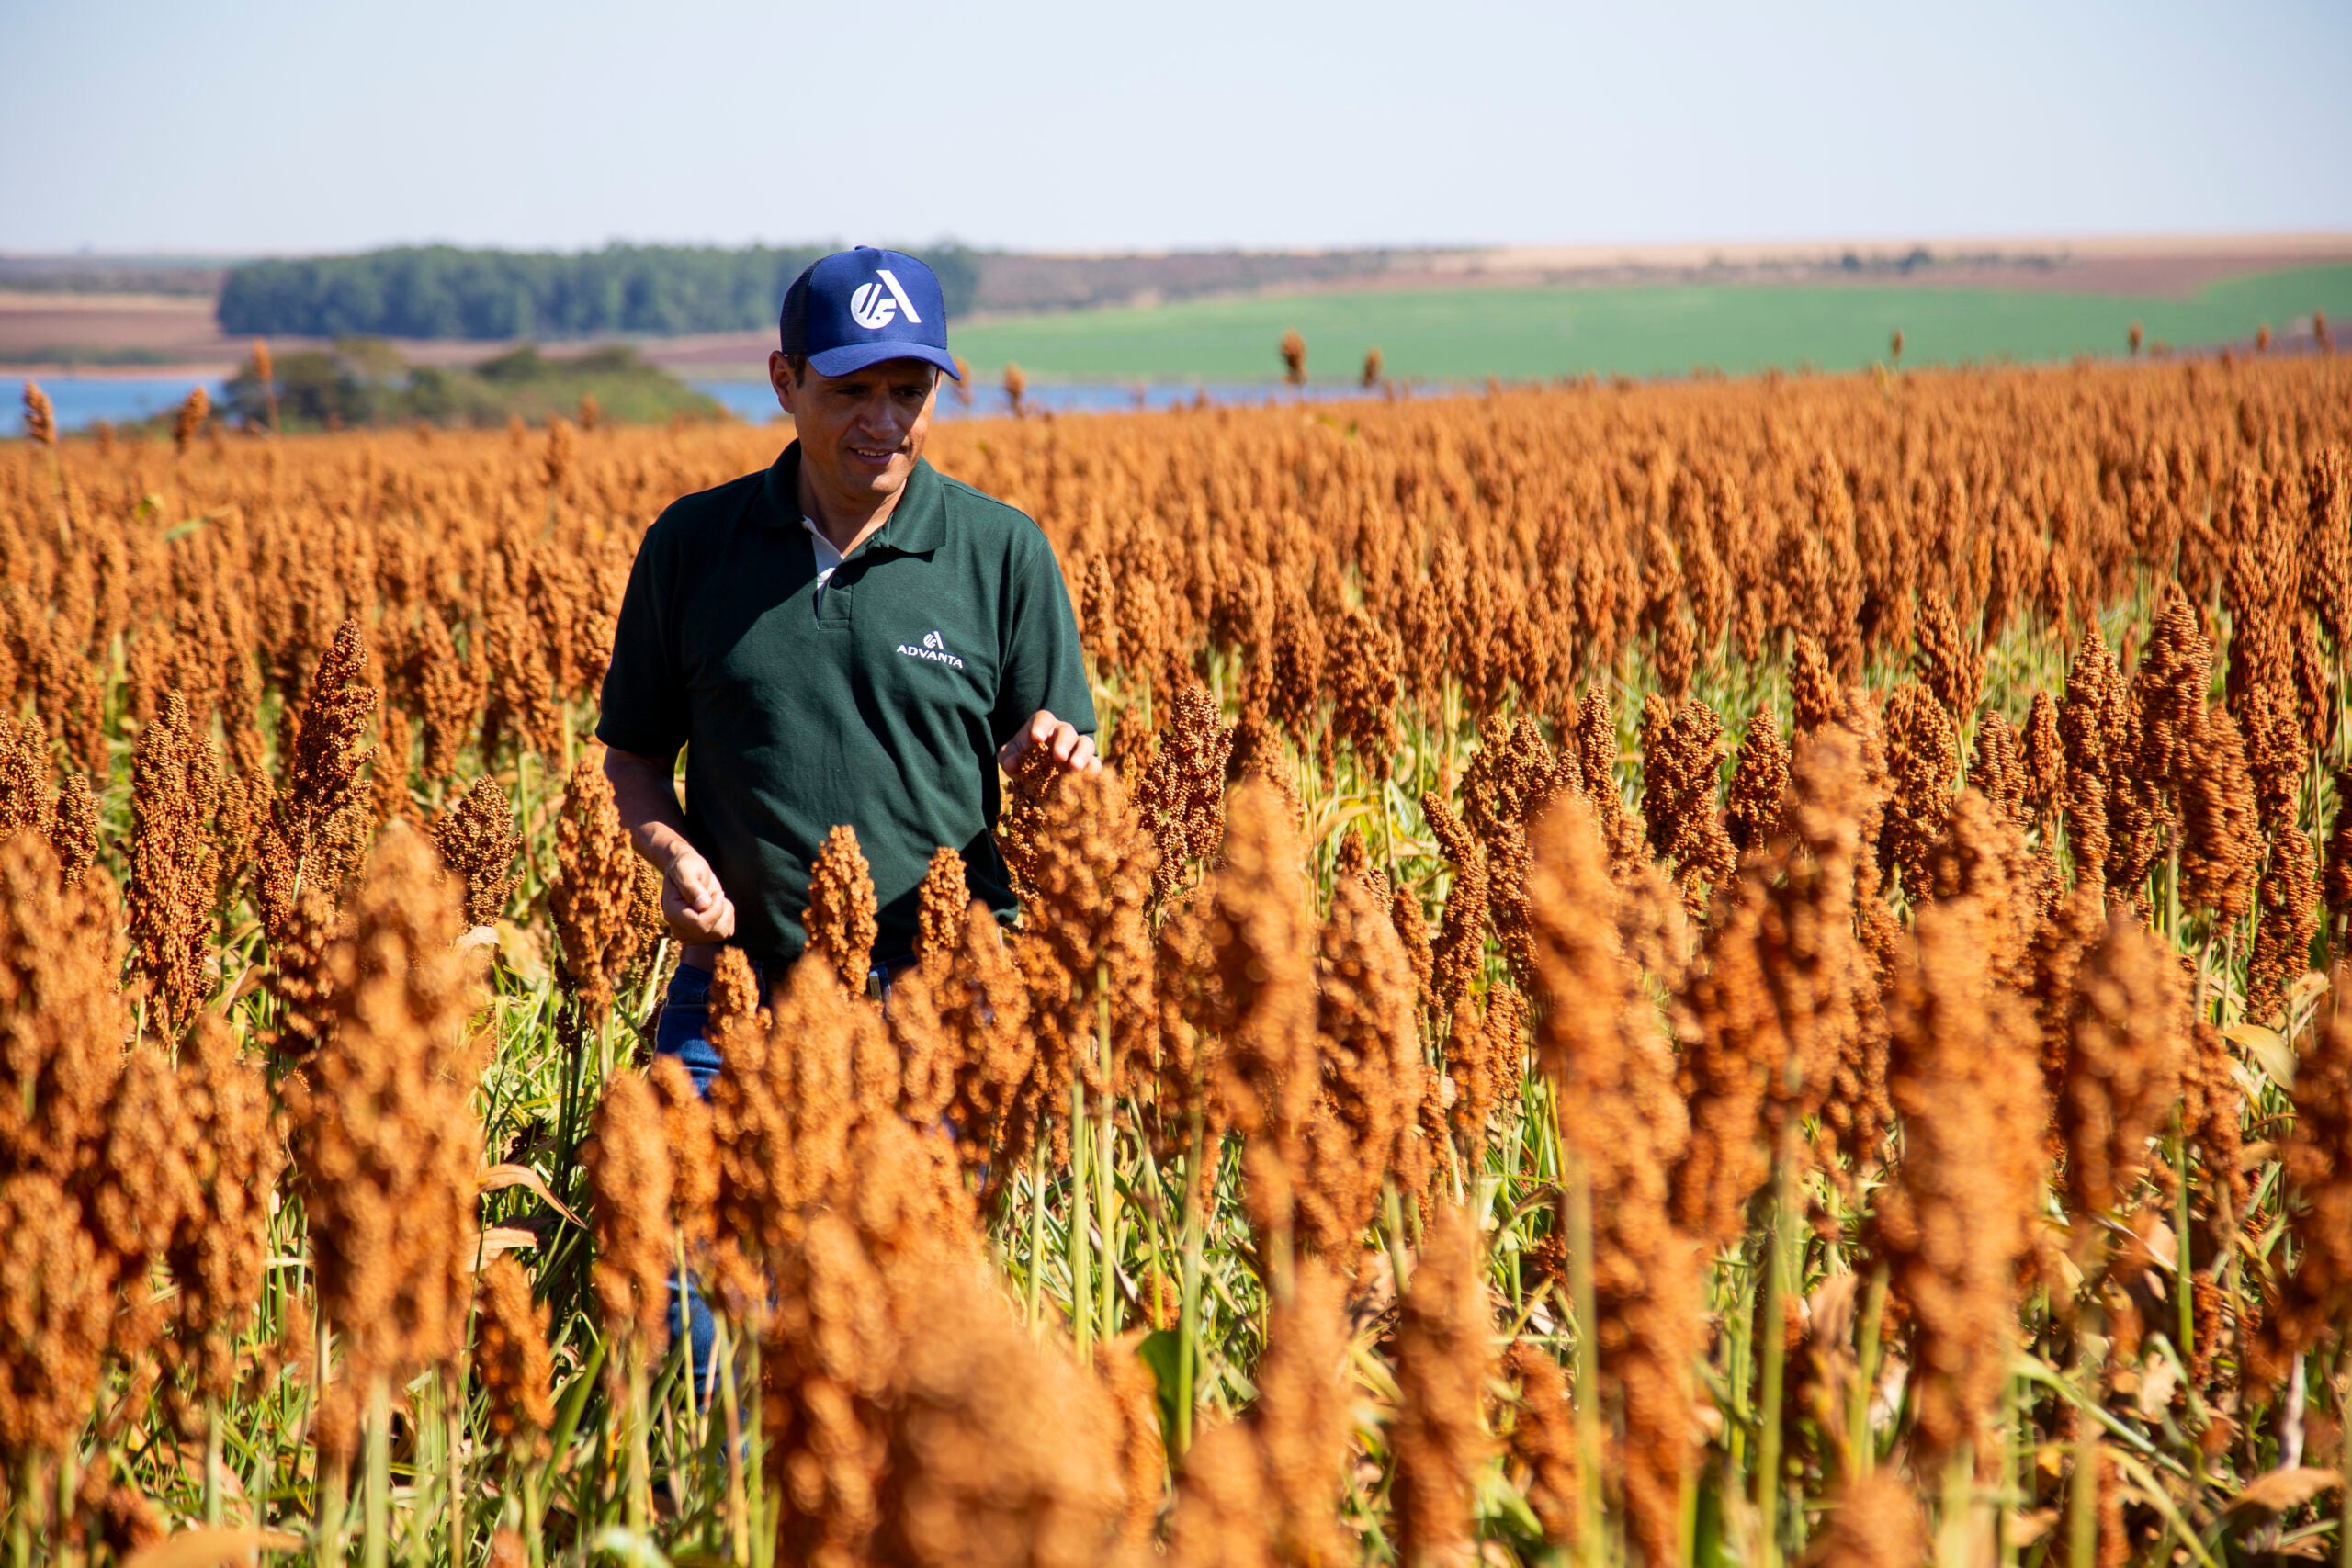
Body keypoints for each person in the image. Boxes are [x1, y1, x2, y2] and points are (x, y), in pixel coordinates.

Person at [594, 247, 1099, 1379]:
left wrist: (1059, 770)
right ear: (784, 381)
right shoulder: (694, 546)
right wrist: (668, 850)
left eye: (909, 391)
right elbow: (632, 755)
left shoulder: (999, 551)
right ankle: (730, 1511)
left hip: (938, 996)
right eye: (852, 391)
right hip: (744, 989)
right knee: (677, 1264)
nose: (885, 422)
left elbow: (1075, 770)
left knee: (910, 1303)